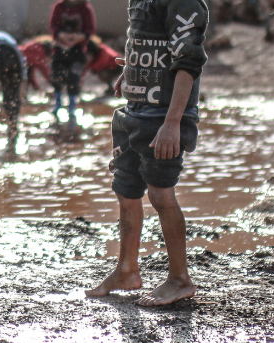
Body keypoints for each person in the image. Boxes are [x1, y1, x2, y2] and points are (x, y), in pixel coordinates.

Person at [85, 0, 208, 306]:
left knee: (161, 196)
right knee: (126, 192)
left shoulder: (183, 2)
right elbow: (147, 43)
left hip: (163, 116)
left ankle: (180, 279)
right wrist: (132, 73)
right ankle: (126, 270)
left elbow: (187, 62)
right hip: (134, 110)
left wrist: (172, 123)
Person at [48, 0, 95, 123]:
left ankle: (72, 107)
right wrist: (61, 35)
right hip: (59, 49)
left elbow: (90, 29)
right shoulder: (59, 7)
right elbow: (53, 26)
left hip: (78, 50)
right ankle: (57, 103)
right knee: (57, 75)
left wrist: (79, 37)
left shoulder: (85, 9)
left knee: (74, 78)